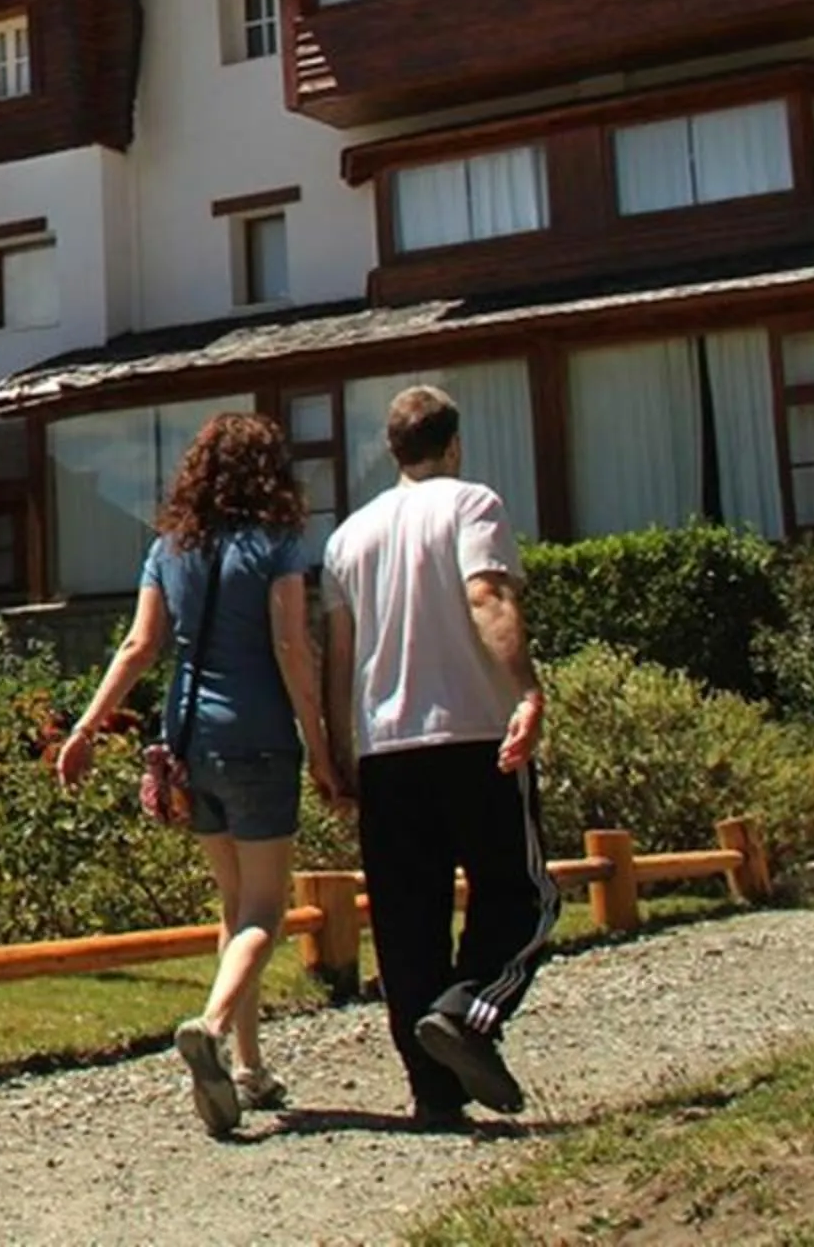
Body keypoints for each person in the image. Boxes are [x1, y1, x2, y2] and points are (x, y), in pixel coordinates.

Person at [59, 411, 342, 1137]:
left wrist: (86, 729)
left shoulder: (169, 547)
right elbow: (289, 647)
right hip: (256, 737)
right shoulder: (278, 543)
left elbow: (138, 645)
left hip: (187, 740)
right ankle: (213, 1030)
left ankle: (248, 1067)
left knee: (230, 905)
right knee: (265, 910)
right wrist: (321, 747)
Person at [322, 384, 557, 1130]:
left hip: (385, 746)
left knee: (406, 919)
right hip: (474, 733)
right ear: (451, 445)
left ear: (392, 451)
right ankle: (469, 1011)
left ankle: (434, 1091)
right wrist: (525, 689)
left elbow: (339, 656)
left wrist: (333, 750)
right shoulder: (470, 503)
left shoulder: (348, 538)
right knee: (523, 895)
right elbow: (486, 595)